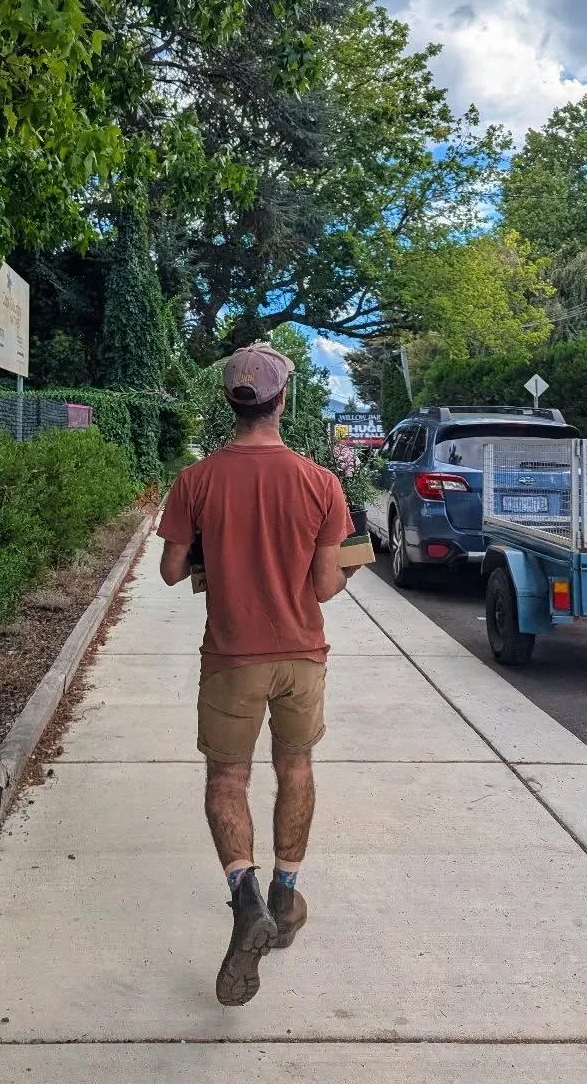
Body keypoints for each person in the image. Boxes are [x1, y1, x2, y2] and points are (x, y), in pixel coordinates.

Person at [157, 342, 360, 1007]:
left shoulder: (197, 480)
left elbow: (169, 570)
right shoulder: (319, 483)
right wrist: (347, 562)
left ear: (230, 402)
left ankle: (245, 899)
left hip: (231, 659)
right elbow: (327, 587)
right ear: (283, 401)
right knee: (296, 769)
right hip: (302, 656)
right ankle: (286, 892)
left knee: (227, 780)